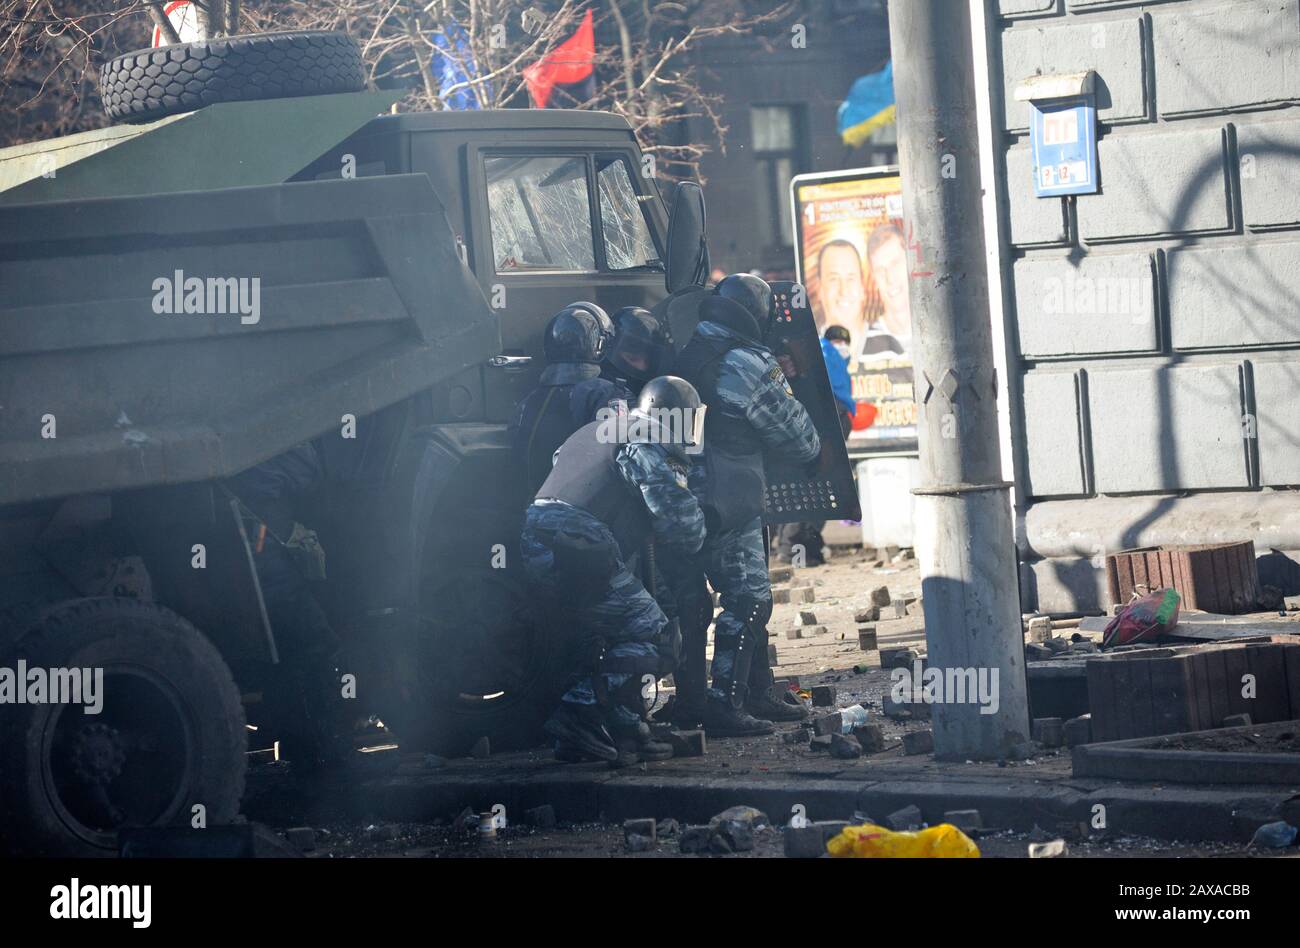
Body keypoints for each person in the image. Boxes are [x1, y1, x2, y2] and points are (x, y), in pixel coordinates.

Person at [520, 377, 708, 764]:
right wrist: (709, 520)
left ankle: (611, 728)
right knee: (655, 632)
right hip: (580, 535)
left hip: (538, 535)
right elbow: (681, 525)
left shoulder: (597, 429)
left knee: (592, 636)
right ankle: (577, 715)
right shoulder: (647, 436)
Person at [672, 273, 821, 733]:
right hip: (726, 500)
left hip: (671, 500)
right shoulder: (745, 363)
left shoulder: (685, 353)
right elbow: (802, 440)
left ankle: (706, 700)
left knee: (690, 602)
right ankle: (726, 706)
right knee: (750, 600)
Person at [511, 303, 622, 495]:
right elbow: (621, 456)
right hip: (583, 511)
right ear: (599, 346)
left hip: (533, 510)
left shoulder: (527, 403)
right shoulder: (605, 394)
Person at [775, 324, 855, 566]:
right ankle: (796, 550)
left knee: (806, 482)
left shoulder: (817, 352)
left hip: (812, 420)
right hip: (830, 418)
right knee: (818, 483)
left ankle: (797, 549)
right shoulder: (825, 353)